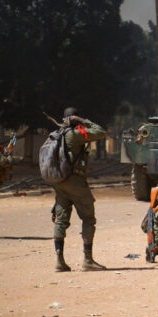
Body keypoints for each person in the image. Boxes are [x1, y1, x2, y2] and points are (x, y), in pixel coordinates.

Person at [51, 107, 107, 272]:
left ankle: (59, 261)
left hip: (60, 182)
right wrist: (83, 120)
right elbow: (100, 131)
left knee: (61, 220)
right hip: (75, 183)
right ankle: (87, 260)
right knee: (88, 219)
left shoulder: (57, 134)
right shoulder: (74, 135)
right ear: (74, 119)